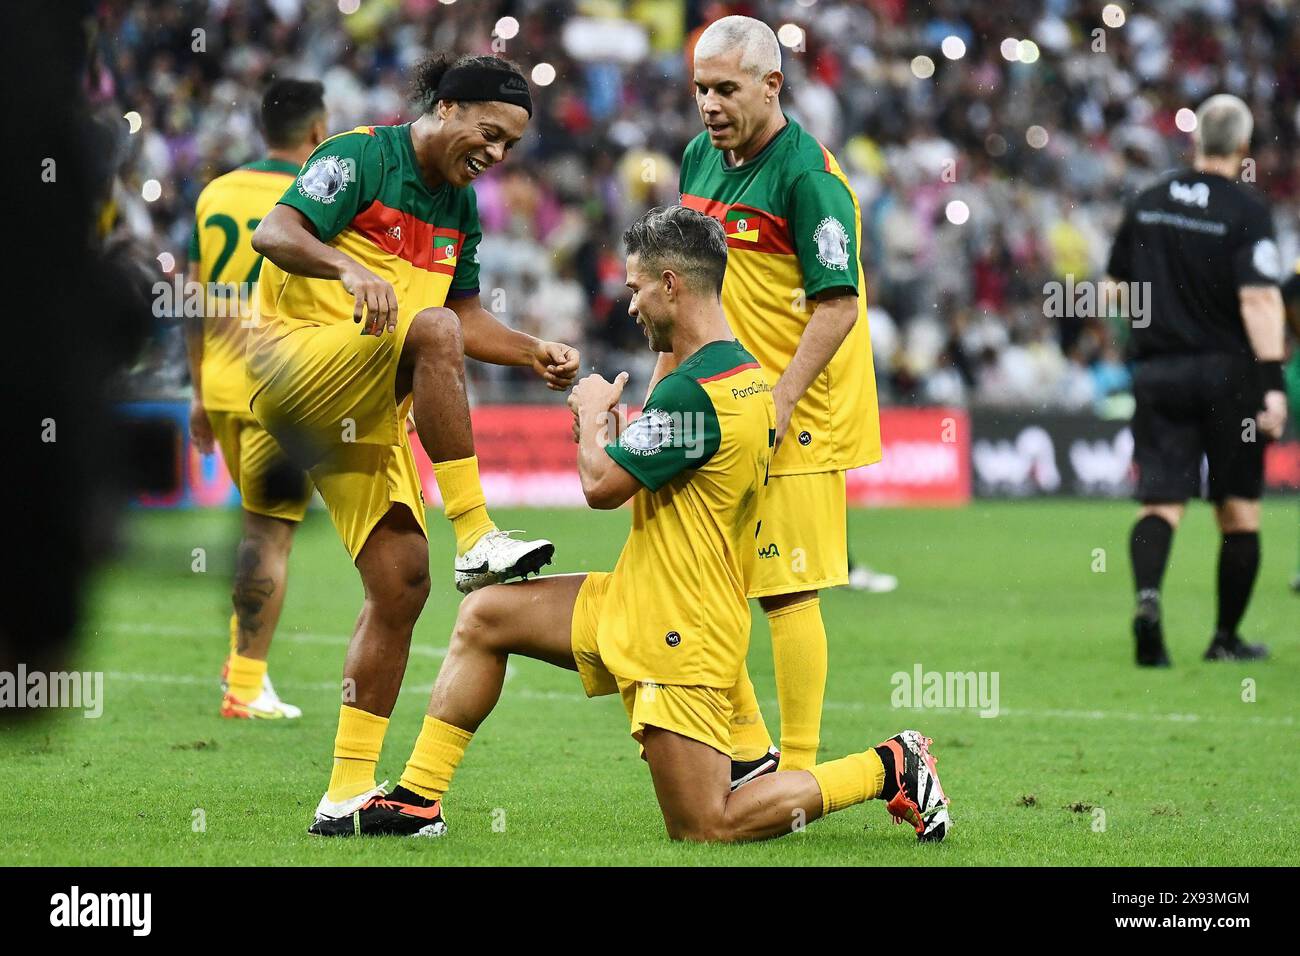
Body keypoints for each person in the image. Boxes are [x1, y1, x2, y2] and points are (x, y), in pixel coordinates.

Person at [307, 205, 951, 843]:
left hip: (678, 631)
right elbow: (659, 465)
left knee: (707, 825)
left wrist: (590, 416)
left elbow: (601, 488)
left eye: (637, 287)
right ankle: (418, 800)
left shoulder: (693, 392)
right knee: (485, 617)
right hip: (638, 599)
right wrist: (609, 432)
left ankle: (887, 766)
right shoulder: (744, 377)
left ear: (671, 283)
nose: (631, 304)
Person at [247, 54, 579, 823]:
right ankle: (476, 533)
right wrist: (345, 268)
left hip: (372, 402)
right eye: (489, 134)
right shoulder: (360, 155)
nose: (495, 156)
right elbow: (275, 231)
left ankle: (345, 794)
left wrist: (533, 350)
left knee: (400, 585)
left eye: (510, 148)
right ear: (449, 106)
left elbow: (460, 318)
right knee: (424, 324)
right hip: (296, 366)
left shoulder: (459, 208)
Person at [676, 16, 884, 776]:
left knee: (786, 591)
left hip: (795, 410)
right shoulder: (699, 156)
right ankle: (751, 751)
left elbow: (837, 303)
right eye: (701, 88)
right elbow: (685, 282)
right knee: (701, 575)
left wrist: (785, 398)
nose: (709, 104)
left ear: (772, 86)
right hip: (718, 400)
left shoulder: (810, 178)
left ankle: (795, 770)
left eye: (725, 89)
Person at [1107, 94, 1288, 666]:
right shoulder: (1248, 210)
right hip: (1227, 375)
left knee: (1160, 502)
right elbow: (1259, 298)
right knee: (1239, 510)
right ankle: (1225, 639)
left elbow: (1114, 290)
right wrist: (1273, 382)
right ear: (1242, 147)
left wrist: (1154, 328)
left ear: (1195, 141)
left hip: (1159, 370)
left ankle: (1148, 604)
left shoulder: (1149, 200)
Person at [185, 78, 326, 720]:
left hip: (219, 381)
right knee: (271, 538)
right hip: (279, 383)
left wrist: (195, 393)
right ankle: (246, 683)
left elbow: (194, 300)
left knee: (254, 533)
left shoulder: (216, 192)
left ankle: (238, 659)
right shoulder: (317, 194)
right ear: (318, 133)